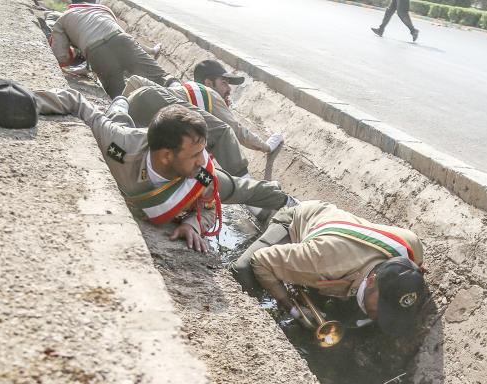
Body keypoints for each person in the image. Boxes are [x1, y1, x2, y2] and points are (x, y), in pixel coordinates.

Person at [36, 88, 290, 253]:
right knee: (118, 120)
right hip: (132, 139)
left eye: (203, 152)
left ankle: (286, 201)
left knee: (238, 188)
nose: (203, 161)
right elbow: (76, 101)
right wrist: (27, 103)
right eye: (193, 155)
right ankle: (121, 100)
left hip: (165, 158)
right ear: (167, 156)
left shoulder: (201, 173)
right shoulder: (121, 149)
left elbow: (210, 206)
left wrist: (193, 224)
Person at [230, 200, 428, 338]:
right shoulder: (321, 260)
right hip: (297, 222)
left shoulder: (412, 248)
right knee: (242, 270)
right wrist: (291, 308)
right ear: (371, 280)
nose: (380, 315)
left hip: (335, 236)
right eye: (382, 307)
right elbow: (261, 261)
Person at [123, 60, 285, 176]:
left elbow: (135, 81)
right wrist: (266, 146)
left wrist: (119, 105)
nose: (229, 89)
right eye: (224, 83)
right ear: (209, 83)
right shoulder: (210, 94)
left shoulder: (186, 92)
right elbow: (236, 130)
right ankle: (253, 202)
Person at [48, 2, 169, 97]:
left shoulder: (62, 20)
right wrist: (153, 51)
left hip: (97, 54)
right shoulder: (101, 10)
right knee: (162, 79)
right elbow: (126, 39)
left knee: (121, 98)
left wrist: (73, 55)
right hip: (122, 41)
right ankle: (184, 98)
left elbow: (60, 56)